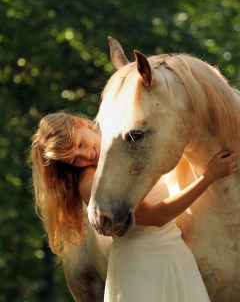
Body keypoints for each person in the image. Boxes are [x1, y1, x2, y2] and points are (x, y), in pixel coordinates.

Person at [29, 111, 237, 302]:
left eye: (81, 144)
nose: (86, 156)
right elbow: (155, 217)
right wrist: (209, 176)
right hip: (142, 265)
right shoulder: (91, 182)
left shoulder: (131, 144)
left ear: (80, 123)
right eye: (75, 160)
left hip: (174, 254)